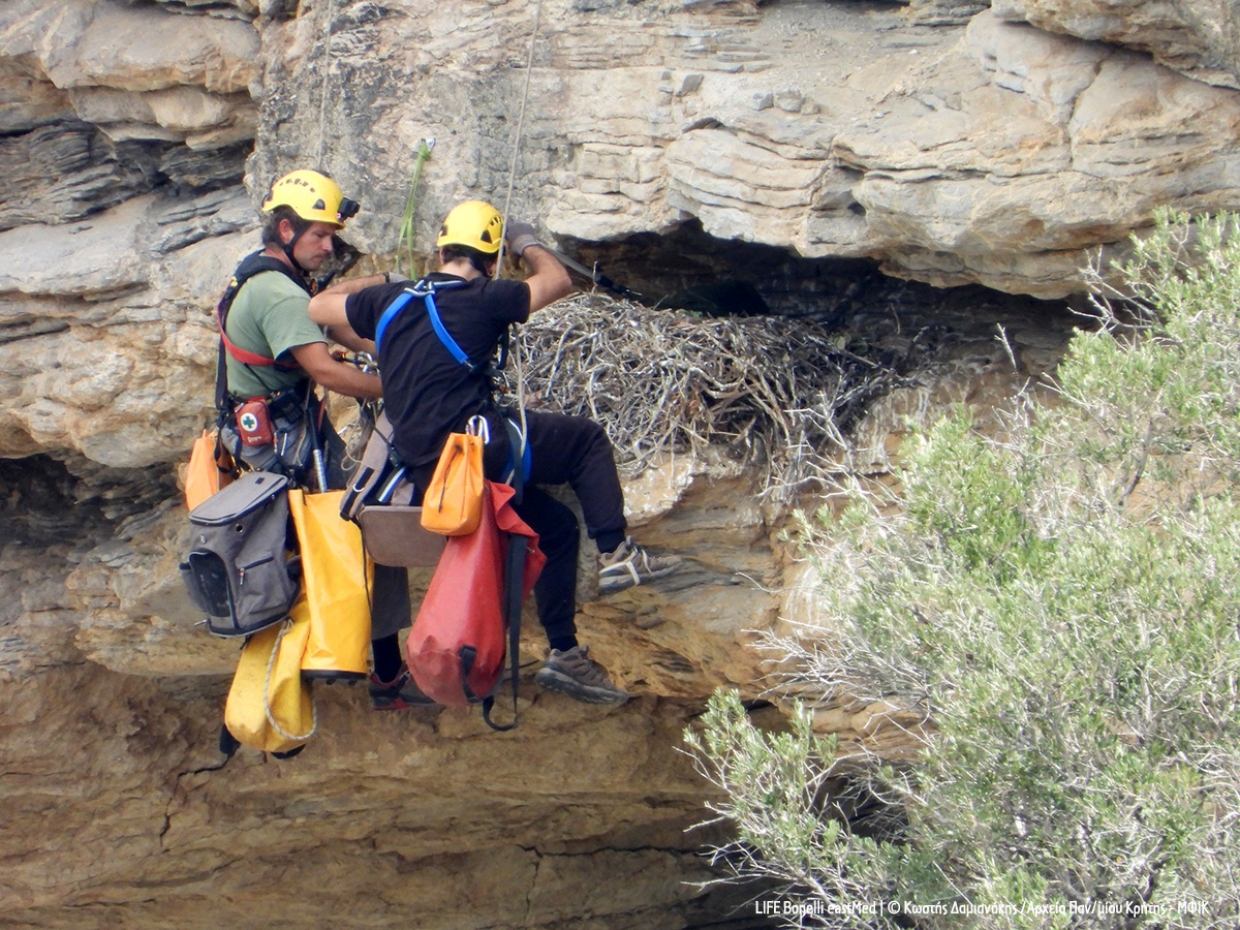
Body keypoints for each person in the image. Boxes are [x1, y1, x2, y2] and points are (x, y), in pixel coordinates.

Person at [308, 199, 683, 705]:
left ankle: (565, 652)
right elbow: (556, 282)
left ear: (440, 249)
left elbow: (320, 309)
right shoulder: (485, 296)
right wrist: (526, 241)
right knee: (584, 442)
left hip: (427, 471)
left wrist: (382, 282)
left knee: (554, 528)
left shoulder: (392, 301)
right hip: (478, 453)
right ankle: (618, 552)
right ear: (489, 260)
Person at [216, 168, 430, 711]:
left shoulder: (268, 279)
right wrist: (406, 388)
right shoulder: (277, 293)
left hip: (269, 442)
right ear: (285, 230)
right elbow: (328, 371)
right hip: (285, 448)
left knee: (328, 540)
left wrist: (395, 321)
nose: (330, 244)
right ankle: (381, 672)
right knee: (360, 528)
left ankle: (367, 664)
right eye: (320, 234)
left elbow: (336, 322)